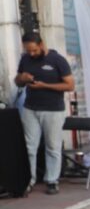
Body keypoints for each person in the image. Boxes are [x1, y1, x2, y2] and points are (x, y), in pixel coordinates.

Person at [15, 33, 74, 195]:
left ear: (41, 44)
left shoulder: (57, 60)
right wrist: (22, 78)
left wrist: (44, 85)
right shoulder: (25, 59)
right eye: (28, 51)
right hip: (30, 108)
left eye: (34, 50)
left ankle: (52, 180)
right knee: (29, 146)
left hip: (53, 109)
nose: (31, 54)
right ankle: (29, 179)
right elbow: (17, 80)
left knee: (52, 146)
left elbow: (69, 85)